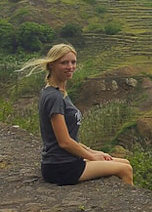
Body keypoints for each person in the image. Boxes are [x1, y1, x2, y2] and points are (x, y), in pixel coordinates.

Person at [18, 44, 134, 186]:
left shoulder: (58, 92)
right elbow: (64, 141)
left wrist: (93, 151)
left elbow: (70, 137)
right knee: (125, 169)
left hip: (66, 160)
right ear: (52, 65)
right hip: (62, 167)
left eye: (73, 62)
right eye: (64, 63)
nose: (70, 66)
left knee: (124, 161)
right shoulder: (54, 97)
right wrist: (92, 157)